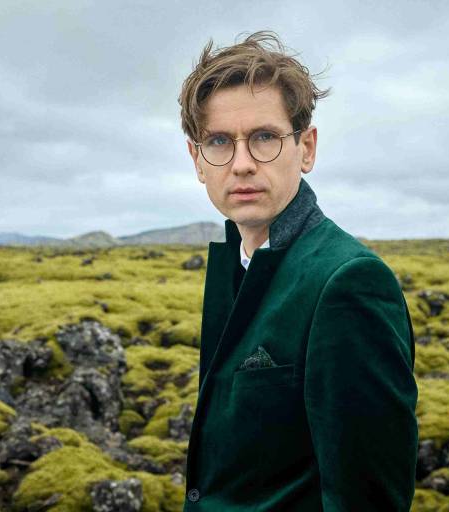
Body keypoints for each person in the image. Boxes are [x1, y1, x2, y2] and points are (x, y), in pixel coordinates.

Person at [179, 30, 418, 511]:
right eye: (219, 142)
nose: (242, 164)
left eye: (264, 137)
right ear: (197, 160)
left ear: (306, 148)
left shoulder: (348, 284)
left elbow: (369, 499)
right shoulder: (238, 265)